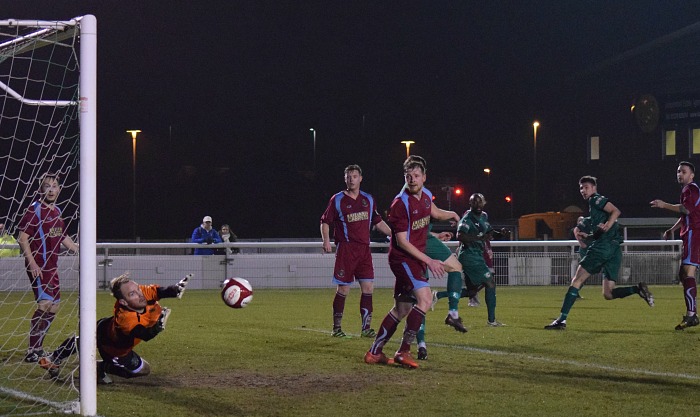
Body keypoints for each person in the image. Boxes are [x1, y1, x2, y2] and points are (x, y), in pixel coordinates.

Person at [364, 157, 460, 368]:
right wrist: (430, 261)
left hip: (414, 258)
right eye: (408, 176)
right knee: (425, 299)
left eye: (416, 176)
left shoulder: (425, 195)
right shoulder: (400, 204)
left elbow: (433, 212)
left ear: (424, 177)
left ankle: (374, 352)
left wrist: (451, 214)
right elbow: (401, 241)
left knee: (402, 309)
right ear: (404, 178)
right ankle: (403, 351)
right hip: (403, 259)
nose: (412, 180)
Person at [39, 272, 191, 384]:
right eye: (132, 294)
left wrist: (175, 289)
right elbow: (143, 334)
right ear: (124, 302)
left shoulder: (140, 294)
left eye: (137, 289)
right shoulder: (126, 319)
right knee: (88, 342)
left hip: (104, 326)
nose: (140, 294)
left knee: (144, 370)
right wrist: (157, 328)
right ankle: (100, 366)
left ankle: (55, 357)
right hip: (114, 349)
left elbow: (158, 291)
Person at [545, 176, 654, 330]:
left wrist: (608, 225)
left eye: (586, 187)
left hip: (602, 248)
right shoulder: (595, 210)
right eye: (581, 188)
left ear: (594, 188)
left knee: (576, 281)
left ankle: (561, 320)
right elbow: (602, 230)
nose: (583, 191)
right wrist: (589, 236)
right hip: (614, 250)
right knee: (608, 294)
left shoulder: (595, 200)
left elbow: (616, 211)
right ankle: (638, 289)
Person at [320, 164, 392, 338]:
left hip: (364, 251)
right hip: (346, 249)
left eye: (354, 176)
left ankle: (366, 328)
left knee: (368, 288)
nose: (351, 179)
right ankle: (336, 328)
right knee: (343, 289)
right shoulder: (337, 199)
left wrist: (394, 235)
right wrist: (326, 241)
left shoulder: (368, 199)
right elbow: (325, 221)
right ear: (345, 179)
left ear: (360, 178)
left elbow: (378, 222)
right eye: (348, 176)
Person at [17, 173, 79, 363]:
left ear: (59, 189)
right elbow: (22, 237)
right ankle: (32, 351)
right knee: (44, 305)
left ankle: (38, 347)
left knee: (54, 307)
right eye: (47, 186)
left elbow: (63, 237)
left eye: (54, 186)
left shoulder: (57, 212)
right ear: (40, 190)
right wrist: (32, 263)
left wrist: (78, 249)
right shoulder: (34, 210)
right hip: (39, 266)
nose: (51, 190)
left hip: (52, 267)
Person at [650, 161, 700, 330]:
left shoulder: (691, 189)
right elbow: (684, 214)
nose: (680, 174)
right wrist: (672, 229)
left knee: (687, 272)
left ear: (691, 175)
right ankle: (692, 314)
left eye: (683, 171)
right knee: (683, 274)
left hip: (695, 234)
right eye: (678, 171)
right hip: (690, 235)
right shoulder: (687, 190)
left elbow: (686, 210)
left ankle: (692, 315)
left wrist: (664, 205)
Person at [454, 193, 509, 328]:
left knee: (472, 291)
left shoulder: (484, 216)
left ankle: (437, 295)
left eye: (480, 202)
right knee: (490, 283)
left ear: (484, 203)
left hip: (477, 256)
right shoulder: (467, 219)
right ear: (470, 204)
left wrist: (500, 234)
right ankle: (492, 321)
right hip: (469, 256)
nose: (477, 205)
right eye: (474, 202)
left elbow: (489, 233)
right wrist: (479, 238)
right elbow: (460, 235)